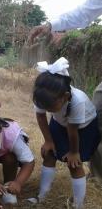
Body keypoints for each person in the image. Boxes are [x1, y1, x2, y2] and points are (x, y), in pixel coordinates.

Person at [31, 57, 101, 208]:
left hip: (84, 128)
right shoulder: (42, 95)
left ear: (66, 97)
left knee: (74, 164)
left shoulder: (78, 101)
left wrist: (74, 152)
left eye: (50, 107)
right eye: (44, 106)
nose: (47, 109)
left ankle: (78, 204)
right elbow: (41, 116)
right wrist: (48, 141)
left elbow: (72, 131)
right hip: (60, 123)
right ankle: (42, 197)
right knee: (49, 154)